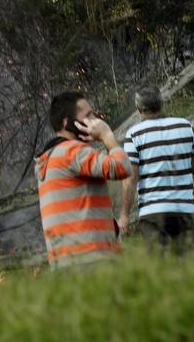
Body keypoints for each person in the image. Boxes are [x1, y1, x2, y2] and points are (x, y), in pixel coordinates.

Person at [34, 90, 131, 268]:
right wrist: (107, 135)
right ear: (67, 123)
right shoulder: (73, 152)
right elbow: (122, 167)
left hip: (65, 262)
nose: (96, 120)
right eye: (88, 115)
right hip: (93, 259)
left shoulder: (49, 158)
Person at [118, 86, 194, 251]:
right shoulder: (185, 126)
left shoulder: (134, 134)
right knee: (192, 266)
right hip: (184, 209)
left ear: (139, 109)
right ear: (162, 103)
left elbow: (131, 179)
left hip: (153, 213)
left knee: (160, 268)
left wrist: (124, 215)